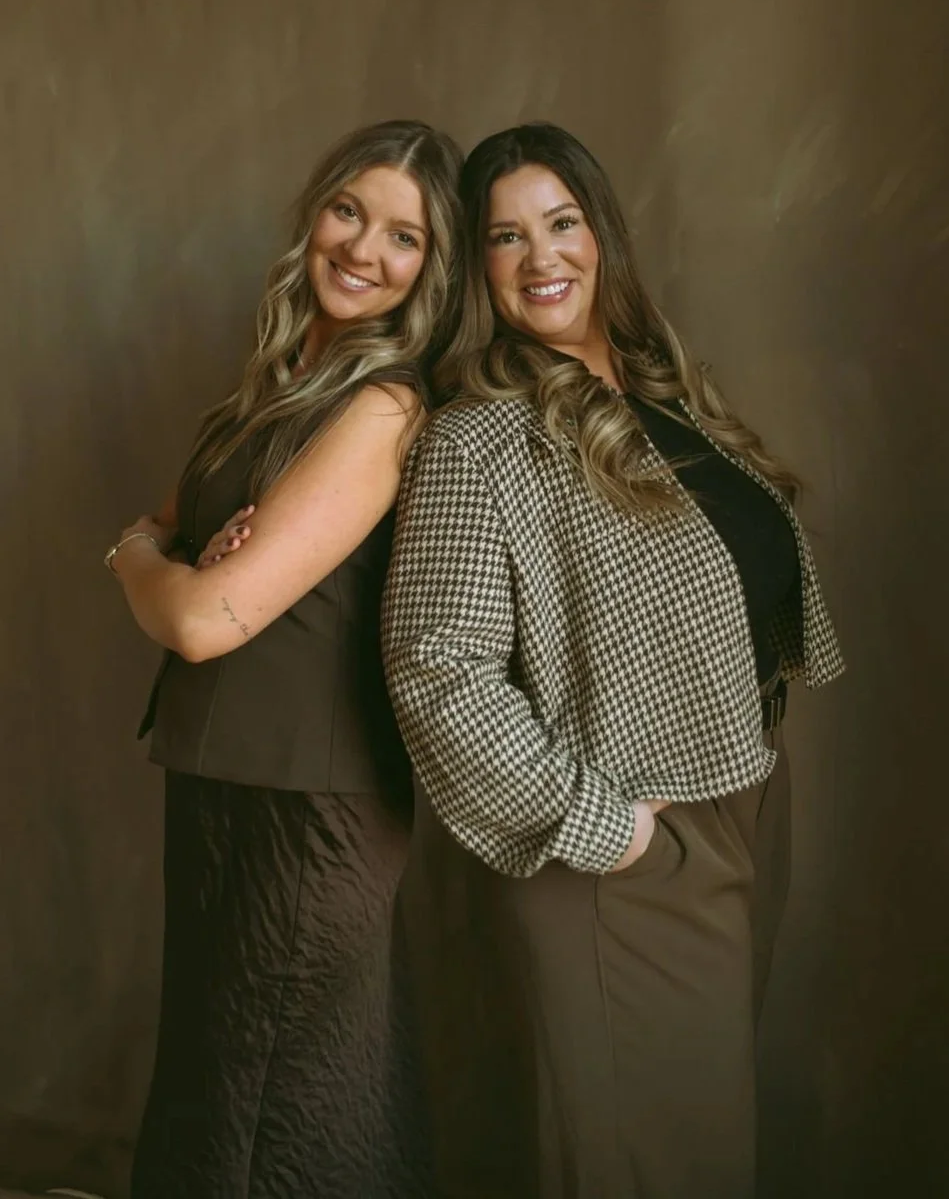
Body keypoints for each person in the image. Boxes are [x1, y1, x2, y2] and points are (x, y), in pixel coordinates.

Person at [381, 122, 844, 1199]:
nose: (541, 257)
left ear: (602, 235)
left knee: (700, 1149)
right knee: (642, 1164)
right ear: (478, 267)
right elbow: (434, 667)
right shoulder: (478, 440)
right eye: (506, 236)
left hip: (739, 798)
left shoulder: (661, 392)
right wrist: (607, 827)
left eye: (561, 221)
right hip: (618, 847)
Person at [105, 120, 462, 1199]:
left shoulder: (384, 403)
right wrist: (148, 553)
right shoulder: (281, 378)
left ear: (431, 271)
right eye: (348, 209)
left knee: (293, 1107)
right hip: (224, 783)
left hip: (314, 809)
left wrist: (140, 565)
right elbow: (157, 530)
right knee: (221, 1090)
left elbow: (202, 617)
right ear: (314, 211)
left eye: (404, 236)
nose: (362, 248)